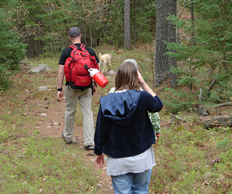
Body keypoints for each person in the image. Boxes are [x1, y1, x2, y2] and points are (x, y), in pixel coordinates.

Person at [94, 62, 163, 193]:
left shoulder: (106, 101)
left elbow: (100, 131)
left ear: (117, 78)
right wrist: (143, 83)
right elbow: (157, 104)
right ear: (135, 78)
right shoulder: (142, 97)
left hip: (117, 158)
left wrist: (98, 152)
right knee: (141, 190)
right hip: (141, 156)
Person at [57, 27, 99, 151]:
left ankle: (68, 136)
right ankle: (89, 142)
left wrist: (59, 89)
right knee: (87, 112)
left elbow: (60, 73)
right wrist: (94, 85)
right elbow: (95, 70)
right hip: (87, 86)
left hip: (71, 86)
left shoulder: (66, 52)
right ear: (80, 35)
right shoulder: (90, 51)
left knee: (70, 110)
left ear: (70, 37)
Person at [109, 59, 161, 144]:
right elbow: (154, 114)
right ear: (137, 74)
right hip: (140, 139)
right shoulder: (143, 94)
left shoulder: (112, 92)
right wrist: (157, 129)